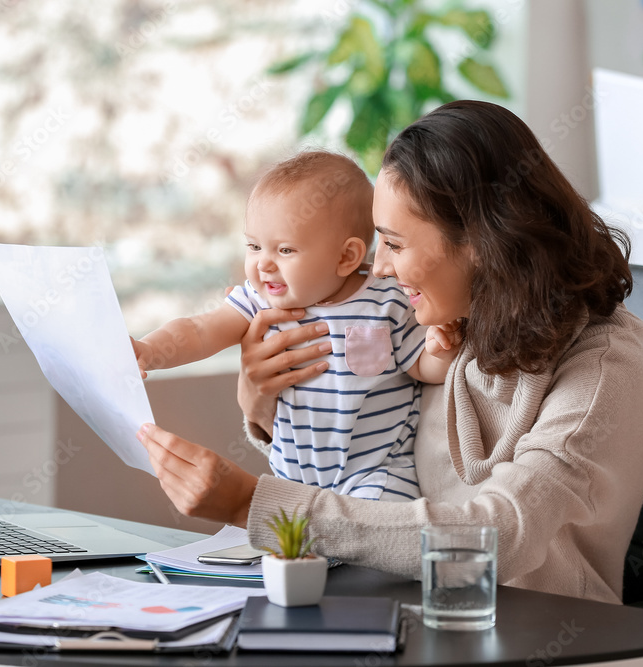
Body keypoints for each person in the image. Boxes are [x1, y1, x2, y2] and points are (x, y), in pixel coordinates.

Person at [136, 100, 643, 605]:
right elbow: (359, 442)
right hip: (408, 607)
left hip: (544, 635)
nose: (377, 267)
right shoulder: (451, 318)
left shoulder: (603, 363)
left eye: (395, 244)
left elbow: (497, 537)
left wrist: (253, 503)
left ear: (479, 242)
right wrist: (262, 404)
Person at [132, 151, 461, 501]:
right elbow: (198, 330)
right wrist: (150, 351)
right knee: (283, 549)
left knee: (371, 536)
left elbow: (421, 368)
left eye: (285, 250)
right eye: (254, 246)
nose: (264, 265)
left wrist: (441, 350)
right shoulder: (258, 301)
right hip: (291, 479)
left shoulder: (388, 301)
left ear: (346, 257)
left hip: (375, 473)